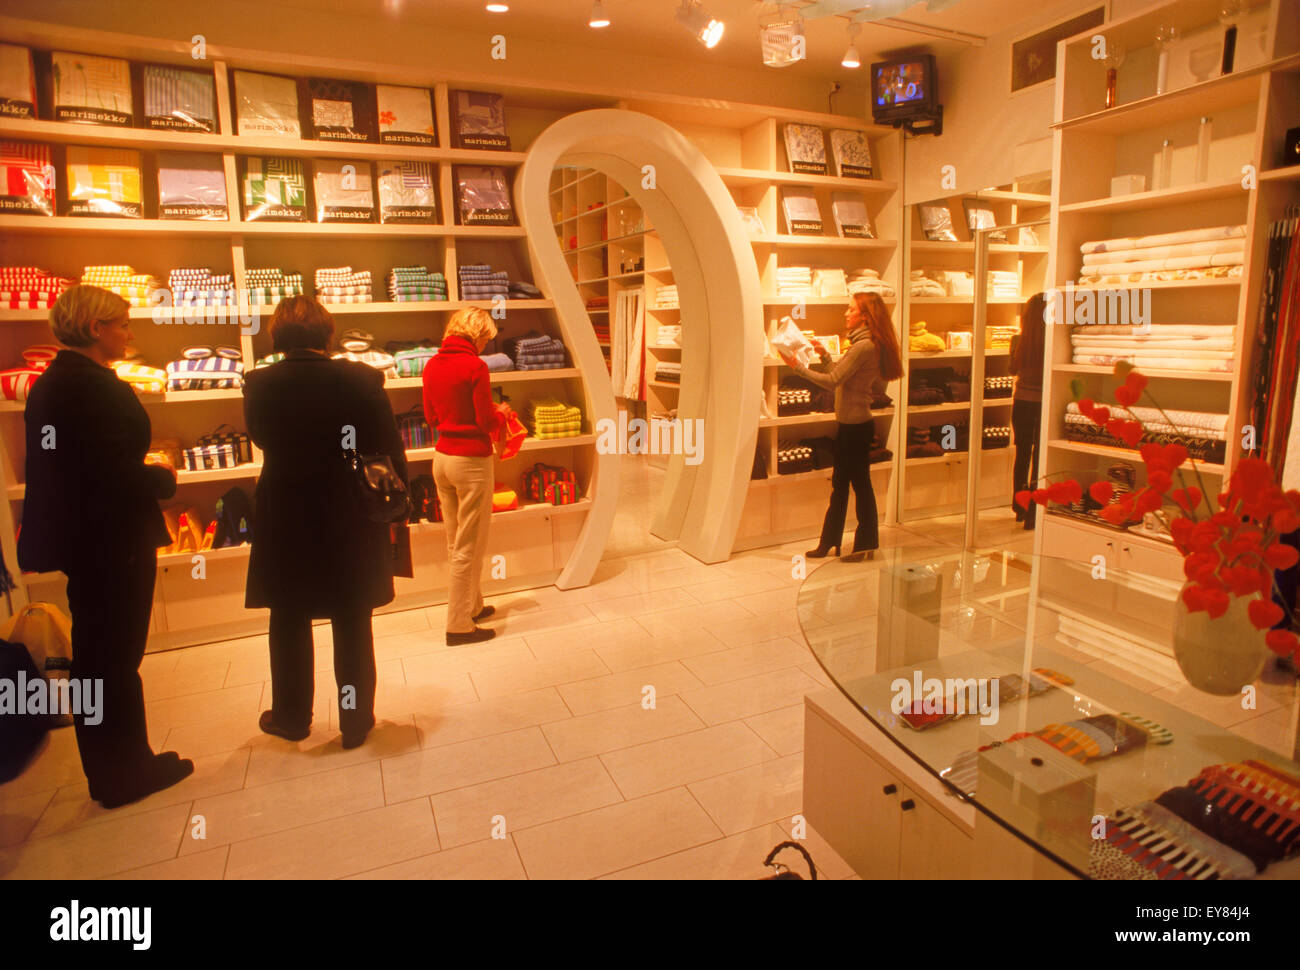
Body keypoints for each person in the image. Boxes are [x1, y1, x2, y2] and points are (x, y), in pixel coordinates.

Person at [18, 285, 194, 808]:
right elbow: (106, 473)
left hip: (87, 539)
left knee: (98, 658)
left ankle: (112, 769)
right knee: (113, 660)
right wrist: (159, 480)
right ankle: (127, 772)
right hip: (111, 539)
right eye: (122, 324)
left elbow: (74, 465)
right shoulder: (89, 386)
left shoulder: (57, 382)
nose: (129, 333)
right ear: (97, 329)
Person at [243, 296, 407, 749]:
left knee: (289, 615)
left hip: (286, 510)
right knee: (352, 615)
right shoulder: (361, 379)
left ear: (277, 336)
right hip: (349, 510)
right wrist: (399, 504)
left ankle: (292, 717)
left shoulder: (258, 383)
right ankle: (355, 721)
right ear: (327, 334)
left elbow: (261, 438)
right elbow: (388, 448)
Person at [779, 291, 904, 562]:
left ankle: (862, 544)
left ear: (865, 316)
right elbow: (842, 376)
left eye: (850, 309)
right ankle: (834, 542)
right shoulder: (861, 344)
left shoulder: (864, 346)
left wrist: (797, 368)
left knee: (857, 485)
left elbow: (834, 381)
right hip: (853, 425)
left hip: (856, 427)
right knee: (845, 484)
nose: (845, 313)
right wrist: (824, 357)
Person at [422, 307, 503, 645]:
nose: (485, 345)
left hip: (441, 459)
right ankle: (458, 625)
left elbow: (430, 416)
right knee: (470, 545)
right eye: (485, 338)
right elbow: (486, 422)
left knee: (456, 540)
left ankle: (473, 605)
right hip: (471, 462)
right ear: (475, 335)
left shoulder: (431, 365)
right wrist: (502, 416)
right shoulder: (475, 367)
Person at [1010, 292, 1047, 530]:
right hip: (1042, 403)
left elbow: (1012, 369)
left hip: (1021, 402)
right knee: (1039, 456)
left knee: (1022, 453)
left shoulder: (1018, 341)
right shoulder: (1051, 343)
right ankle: (1034, 509)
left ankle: (1019, 506)